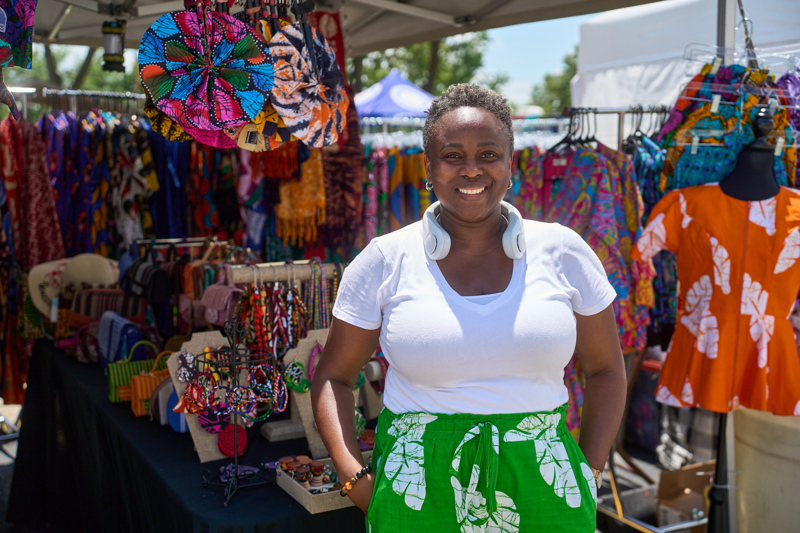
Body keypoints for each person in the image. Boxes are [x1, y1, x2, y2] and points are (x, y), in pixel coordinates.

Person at [311, 84, 626, 532]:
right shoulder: (384, 259)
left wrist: (589, 472)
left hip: (547, 487)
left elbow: (607, 370)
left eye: (488, 154)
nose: (472, 169)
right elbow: (334, 376)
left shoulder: (564, 251)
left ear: (510, 163)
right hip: (418, 491)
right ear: (428, 167)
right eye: (453, 155)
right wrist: (355, 479)